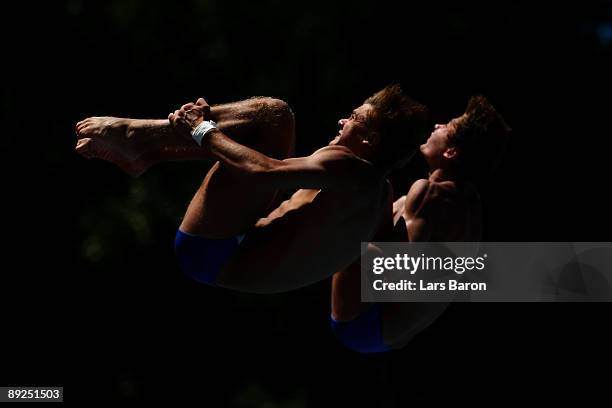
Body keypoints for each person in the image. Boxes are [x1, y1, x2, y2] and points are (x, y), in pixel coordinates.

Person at [75, 85, 429, 293]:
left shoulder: (351, 167)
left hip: (213, 252)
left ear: (370, 139)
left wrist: (202, 128)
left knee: (274, 115)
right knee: (270, 126)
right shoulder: (378, 193)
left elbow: (262, 171)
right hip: (237, 257)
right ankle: (145, 149)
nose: (342, 120)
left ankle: (139, 138)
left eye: (354, 118)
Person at [330, 95, 510, 353]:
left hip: (362, 319)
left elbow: (398, 270)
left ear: (451, 151)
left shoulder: (429, 193)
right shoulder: (472, 207)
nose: (437, 126)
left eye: (447, 126)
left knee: (359, 203)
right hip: (394, 336)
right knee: (381, 193)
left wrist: (349, 241)